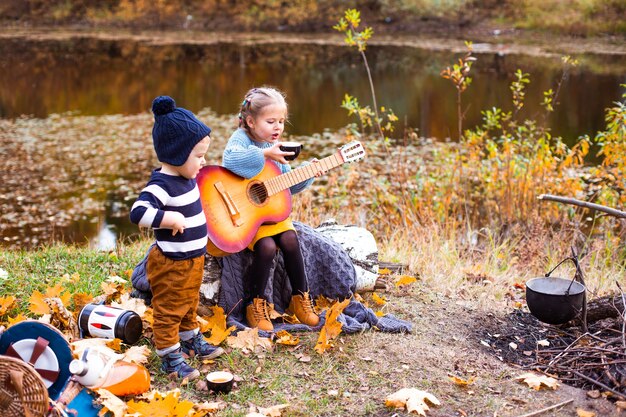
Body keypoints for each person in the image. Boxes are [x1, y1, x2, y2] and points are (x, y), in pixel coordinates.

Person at [130, 96, 224, 380]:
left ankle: (190, 339)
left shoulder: (187, 178)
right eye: (198, 156)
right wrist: (167, 218)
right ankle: (170, 357)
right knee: (169, 310)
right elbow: (138, 211)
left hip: (192, 260)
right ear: (176, 153)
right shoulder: (162, 184)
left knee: (188, 305)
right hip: (171, 263)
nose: (203, 161)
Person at [222, 86, 320, 331]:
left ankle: (301, 299)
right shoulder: (242, 139)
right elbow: (231, 160)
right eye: (271, 121)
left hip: (271, 214)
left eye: (282, 122)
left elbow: (286, 187)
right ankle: (255, 304)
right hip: (247, 214)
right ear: (251, 121)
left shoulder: (275, 146)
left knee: (289, 238)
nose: (278, 127)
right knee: (266, 246)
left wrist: (309, 173)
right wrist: (266, 153)